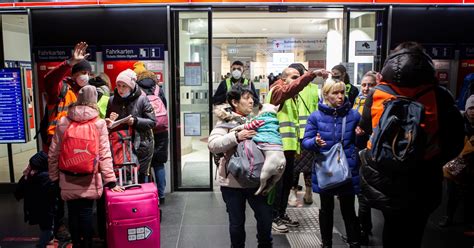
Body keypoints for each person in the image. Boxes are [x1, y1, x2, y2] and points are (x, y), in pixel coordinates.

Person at [357, 42, 465, 248]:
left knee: (391, 226)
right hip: (423, 177)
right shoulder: (440, 95)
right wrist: (433, 159)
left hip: (385, 177)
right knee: (415, 230)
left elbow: (365, 128)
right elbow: (455, 140)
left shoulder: (378, 93)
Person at [48, 85, 124, 248]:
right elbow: (104, 154)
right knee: (86, 212)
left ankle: (76, 243)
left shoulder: (63, 121)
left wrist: (54, 177)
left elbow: (53, 153)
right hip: (90, 177)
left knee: (72, 212)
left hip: (67, 175)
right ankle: (88, 243)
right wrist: (111, 180)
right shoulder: (99, 123)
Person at [208, 85, 273, 248]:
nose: (251, 101)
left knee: (265, 220)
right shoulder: (225, 122)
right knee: (236, 224)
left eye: (252, 97)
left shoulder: (257, 121)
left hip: (257, 180)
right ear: (234, 102)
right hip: (232, 183)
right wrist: (236, 136)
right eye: (246, 98)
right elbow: (213, 144)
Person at [267, 66, 329, 233]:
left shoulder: (292, 97)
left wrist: (296, 148)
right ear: (283, 79)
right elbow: (292, 88)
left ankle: (281, 213)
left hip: (288, 149)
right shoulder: (276, 91)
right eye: (293, 77)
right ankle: (273, 217)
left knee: (287, 184)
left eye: (298, 77)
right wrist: (311, 75)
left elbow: (292, 126)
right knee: (278, 185)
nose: (296, 81)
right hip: (277, 149)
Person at [302, 79, 361, 248]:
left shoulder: (354, 115)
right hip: (325, 168)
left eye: (342, 92)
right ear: (326, 94)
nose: (340, 96)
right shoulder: (316, 117)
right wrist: (315, 142)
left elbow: (361, 141)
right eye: (335, 93)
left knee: (349, 209)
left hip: (347, 168)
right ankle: (326, 243)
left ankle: (354, 242)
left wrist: (361, 134)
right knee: (326, 209)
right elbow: (305, 141)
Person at [42, 41, 91, 242]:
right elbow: (49, 80)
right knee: (57, 190)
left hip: (78, 151)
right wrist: (70, 62)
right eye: (82, 72)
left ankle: (80, 228)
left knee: (78, 191)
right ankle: (60, 225)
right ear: (73, 74)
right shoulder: (61, 90)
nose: (85, 76)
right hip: (58, 149)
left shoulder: (87, 94)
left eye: (88, 73)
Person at [106, 69, 156, 184]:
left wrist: (135, 121)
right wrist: (110, 121)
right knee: (121, 176)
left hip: (140, 144)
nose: (121, 89)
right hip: (119, 145)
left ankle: (142, 200)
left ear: (132, 87)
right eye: (119, 85)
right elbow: (109, 125)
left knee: (141, 176)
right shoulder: (112, 100)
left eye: (125, 86)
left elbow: (152, 122)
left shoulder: (142, 99)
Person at [286, 63, 319, 206]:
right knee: (309, 166)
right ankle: (308, 192)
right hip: (311, 133)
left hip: (294, 133)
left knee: (294, 166)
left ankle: (292, 193)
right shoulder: (314, 88)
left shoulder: (292, 89)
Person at [439, 95, 474, 230]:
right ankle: (448, 216)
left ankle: (468, 219)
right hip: (455, 163)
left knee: (470, 194)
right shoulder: (458, 124)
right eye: (471, 108)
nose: (473, 111)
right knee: (451, 193)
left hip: (471, 167)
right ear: (466, 109)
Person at [137, 70, 169, 204]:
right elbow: (165, 107)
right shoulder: (158, 90)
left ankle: (148, 194)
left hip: (144, 130)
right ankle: (161, 195)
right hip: (161, 131)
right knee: (159, 164)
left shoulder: (138, 90)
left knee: (145, 165)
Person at [15, 151, 56, 248]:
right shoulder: (48, 178)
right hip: (47, 209)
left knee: (45, 226)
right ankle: (42, 244)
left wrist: (25, 175)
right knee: (47, 227)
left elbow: (18, 192)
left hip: (33, 208)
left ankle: (49, 238)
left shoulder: (29, 177)